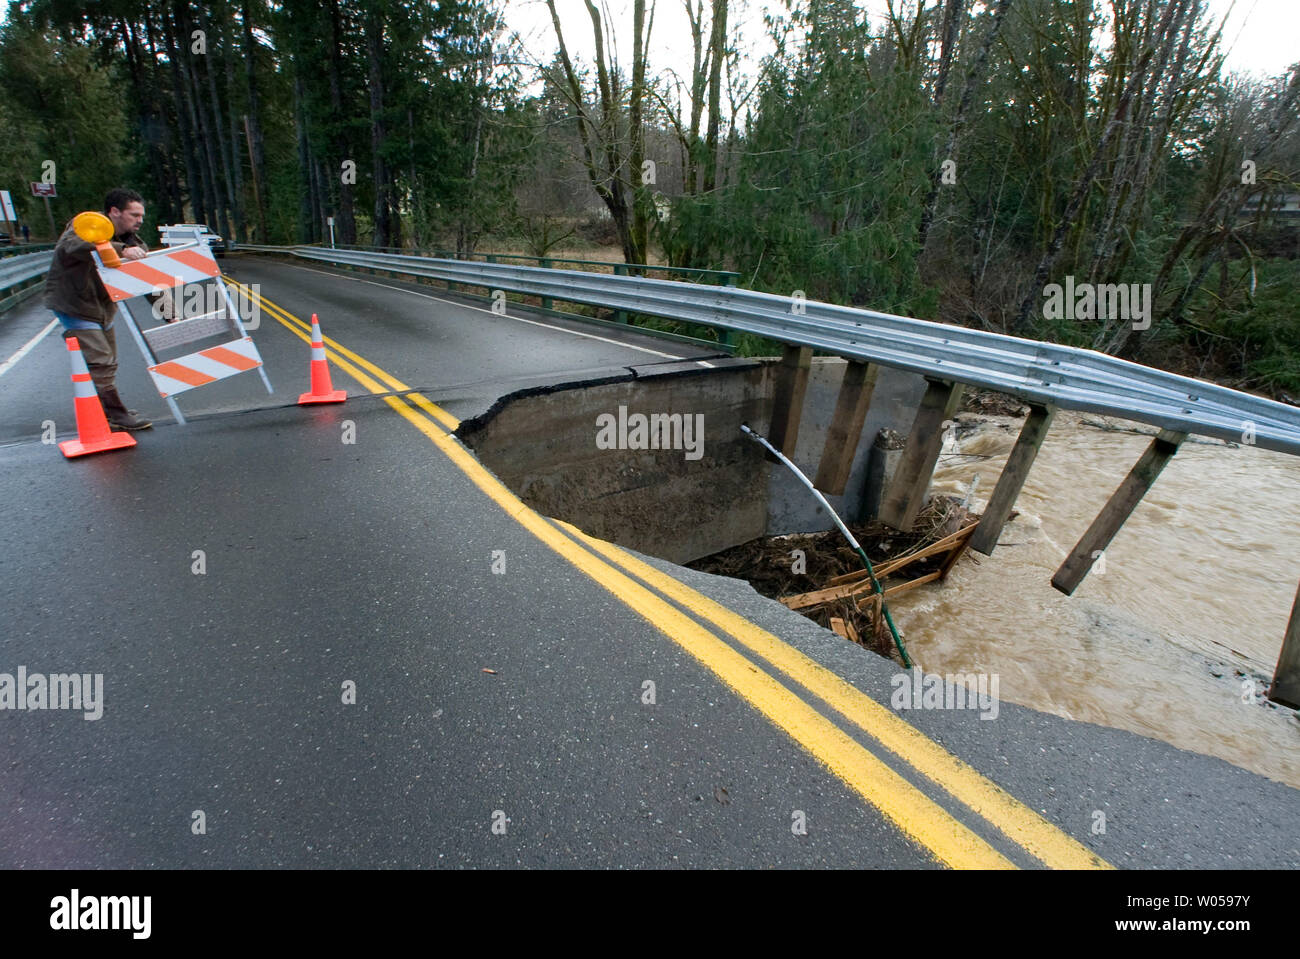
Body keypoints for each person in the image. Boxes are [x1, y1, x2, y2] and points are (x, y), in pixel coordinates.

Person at [44, 188, 152, 430]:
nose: (140, 220)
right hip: (75, 304)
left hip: (104, 307)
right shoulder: (85, 225)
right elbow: (71, 246)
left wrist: (170, 313)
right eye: (134, 215)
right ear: (114, 212)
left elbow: (148, 277)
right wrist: (119, 250)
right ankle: (116, 414)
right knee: (101, 360)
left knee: (108, 360)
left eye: (141, 216)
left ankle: (104, 410)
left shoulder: (133, 242)